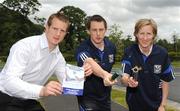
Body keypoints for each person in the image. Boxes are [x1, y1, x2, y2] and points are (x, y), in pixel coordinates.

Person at [0, 11, 70, 111]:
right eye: (55, 28)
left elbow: (67, 82)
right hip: (5, 96)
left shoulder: (58, 57)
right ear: (46, 27)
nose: (58, 34)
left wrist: (81, 75)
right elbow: (9, 82)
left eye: (62, 31)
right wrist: (42, 90)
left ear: (65, 34)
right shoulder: (25, 46)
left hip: (29, 100)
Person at [121, 18, 175, 111]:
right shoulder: (129, 51)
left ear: (154, 35)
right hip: (134, 105)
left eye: (149, 34)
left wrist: (163, 105)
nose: (145, 38)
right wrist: (128, 81)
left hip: (155, 106)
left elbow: (165, 81)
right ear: (136, 34)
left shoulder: (162, 53)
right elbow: (124, 77)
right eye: (141, 33)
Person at [75, 15, 116, 111]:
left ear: (105, 30)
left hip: (105, 98)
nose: (98, 33)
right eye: (94, 30)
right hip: (87, 98)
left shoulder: (111, 47)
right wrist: (105, 75)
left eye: (101, 30)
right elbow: (88, 61)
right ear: (88, 31)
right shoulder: (82, 48)